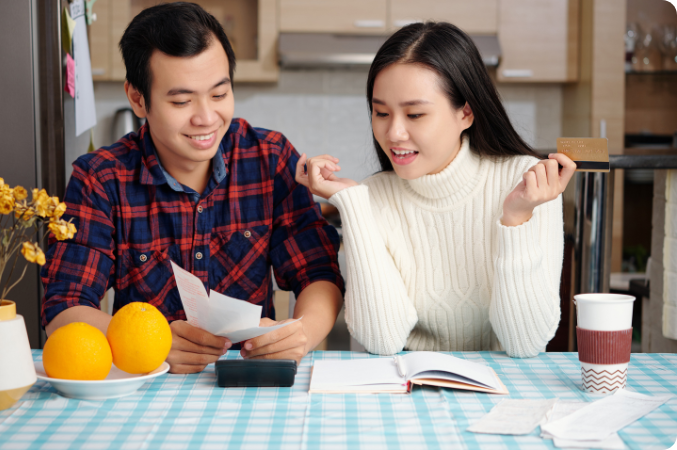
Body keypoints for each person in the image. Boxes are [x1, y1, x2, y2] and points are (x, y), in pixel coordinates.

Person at [41, 2, 344, 373]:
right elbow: (64, 307)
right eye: (182, 101)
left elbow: (318, 273)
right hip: (147, 385)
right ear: (138, 98)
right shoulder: (101, 179)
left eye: (219, 95)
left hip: (247, 380)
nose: (205, 118)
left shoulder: (269, 158)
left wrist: (302, 332)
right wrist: (155, 343)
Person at [296, 22, 576, 358]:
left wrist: (515, 219)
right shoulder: (373, 197)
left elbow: (525, 344)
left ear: (466, 113)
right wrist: (353, 204)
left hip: (502, 393)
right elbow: (382, 340)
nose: (394, 132)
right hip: (408, 392)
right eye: (381, 112)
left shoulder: (526, 184)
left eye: (415, 114)